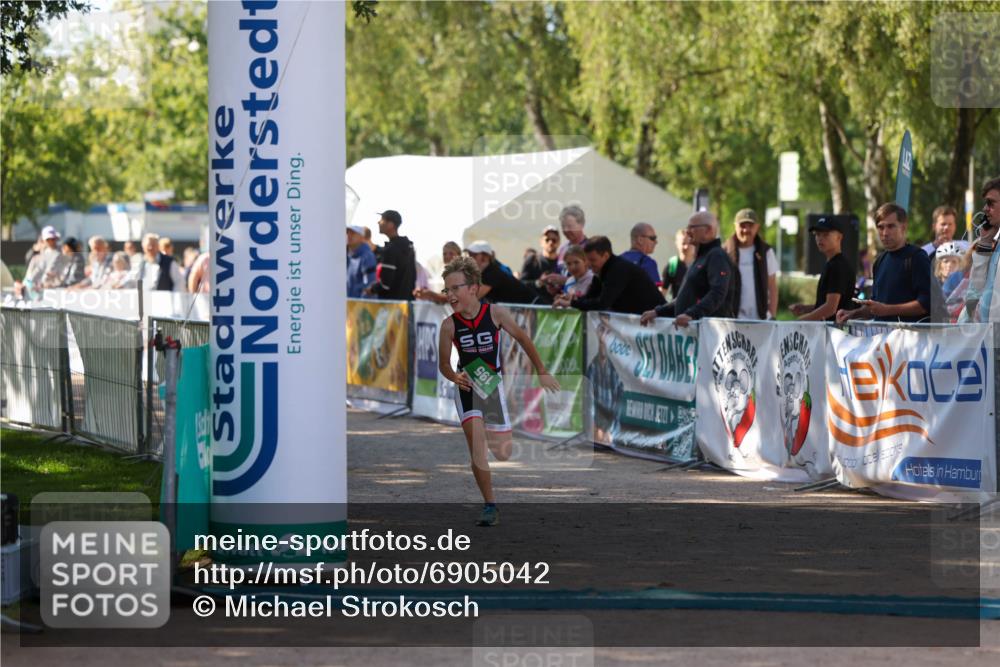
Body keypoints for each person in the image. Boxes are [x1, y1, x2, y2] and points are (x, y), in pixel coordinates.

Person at [437, 256, 559, 526]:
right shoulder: (448, 325)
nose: (451, 295)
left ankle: (496, 435)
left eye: (455, 288)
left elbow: (524, 339)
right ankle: (490, 505)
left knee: (503, 452)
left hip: (491, 386)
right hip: (467, 387)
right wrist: (456, 377)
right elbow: (444, 364)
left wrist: (541, 370)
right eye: (447, 290)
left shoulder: (496, 313)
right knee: (477, 448)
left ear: (473, 288)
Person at [836, 203, 931, 323]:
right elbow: (875, 308)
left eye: (891, 226)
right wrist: (853, 313)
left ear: (903, 227)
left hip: (911, 338)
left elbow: (925, 304)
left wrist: (887, 309)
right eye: (880, 227)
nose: (885, 233)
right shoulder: (879, 261)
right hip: (882, 338)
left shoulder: (917, 257)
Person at [640, 211, 736, 328]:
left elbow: (718, 292)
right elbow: (684, 297)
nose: (687, 232)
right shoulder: (701, 257)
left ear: (708, 230)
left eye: (692, 227)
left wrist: (692, 314)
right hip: (694, 334)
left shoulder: (716, 256)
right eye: (687, 227)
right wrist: (658, 312)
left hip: (710, 335)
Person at [554, 236, 664, 314]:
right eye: (587, 260)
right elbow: (591, 296)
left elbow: (602, 303)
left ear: (605, 256)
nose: (589, 265)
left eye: (593, 260)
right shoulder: (600, 271)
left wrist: (572, 303)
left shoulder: (618, 269)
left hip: (658, 321)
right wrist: (572, 300)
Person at [789, 217, 855, 321]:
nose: (820, 238)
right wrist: (806, 309)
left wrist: (800, 322)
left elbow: (830, 308)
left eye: (826, 234)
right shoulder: (833, 263)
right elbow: (831, 305)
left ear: (839, 237)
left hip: (836, 332)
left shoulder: (837, 266)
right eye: (817, 234)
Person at [724, 208, 777, 320]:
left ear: (757, 227)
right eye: (742, 225)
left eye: (750, 226)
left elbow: (772, 285)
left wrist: (772, 315)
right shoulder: (725, 251)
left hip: (760, 318)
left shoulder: (766, 252)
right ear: (735, 226)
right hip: (732, 319)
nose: (746, 230)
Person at [466, 241, 538, 305]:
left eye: (474, 255)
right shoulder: (488, 271)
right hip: (525, 309)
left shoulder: (492, 272)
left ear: (485, 256)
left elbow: (473, 297)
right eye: (469, 254)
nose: (469, 257)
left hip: (535, 307)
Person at [365, 210, 416, 300]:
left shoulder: (391, 249)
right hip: (406, 305)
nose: (378, 222)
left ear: (391, 224)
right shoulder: (408, 247)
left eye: (382, 220)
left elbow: (385, 285)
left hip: (392, 308)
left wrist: (371, 289)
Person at [620, 222, 661, 287]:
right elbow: (657, 292)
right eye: (652, 238)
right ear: (640, 240)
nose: (656, 242)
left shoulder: (617, 260)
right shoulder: (647, 262)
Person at [662, 228, 694, 299]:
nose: (686, 247)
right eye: (683, 243)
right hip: (678, 308)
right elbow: (662, 293)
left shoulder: (702, 263)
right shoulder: (672, 265)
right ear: (677, 244)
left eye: (689, 243)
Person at [346, 224, 376, 298]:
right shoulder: (347, 256)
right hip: (348, 303)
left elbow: (369, 284)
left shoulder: (367, 256)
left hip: (359, 305)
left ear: (362, 238)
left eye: (353, 233)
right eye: (347, 233)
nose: (349, 236)